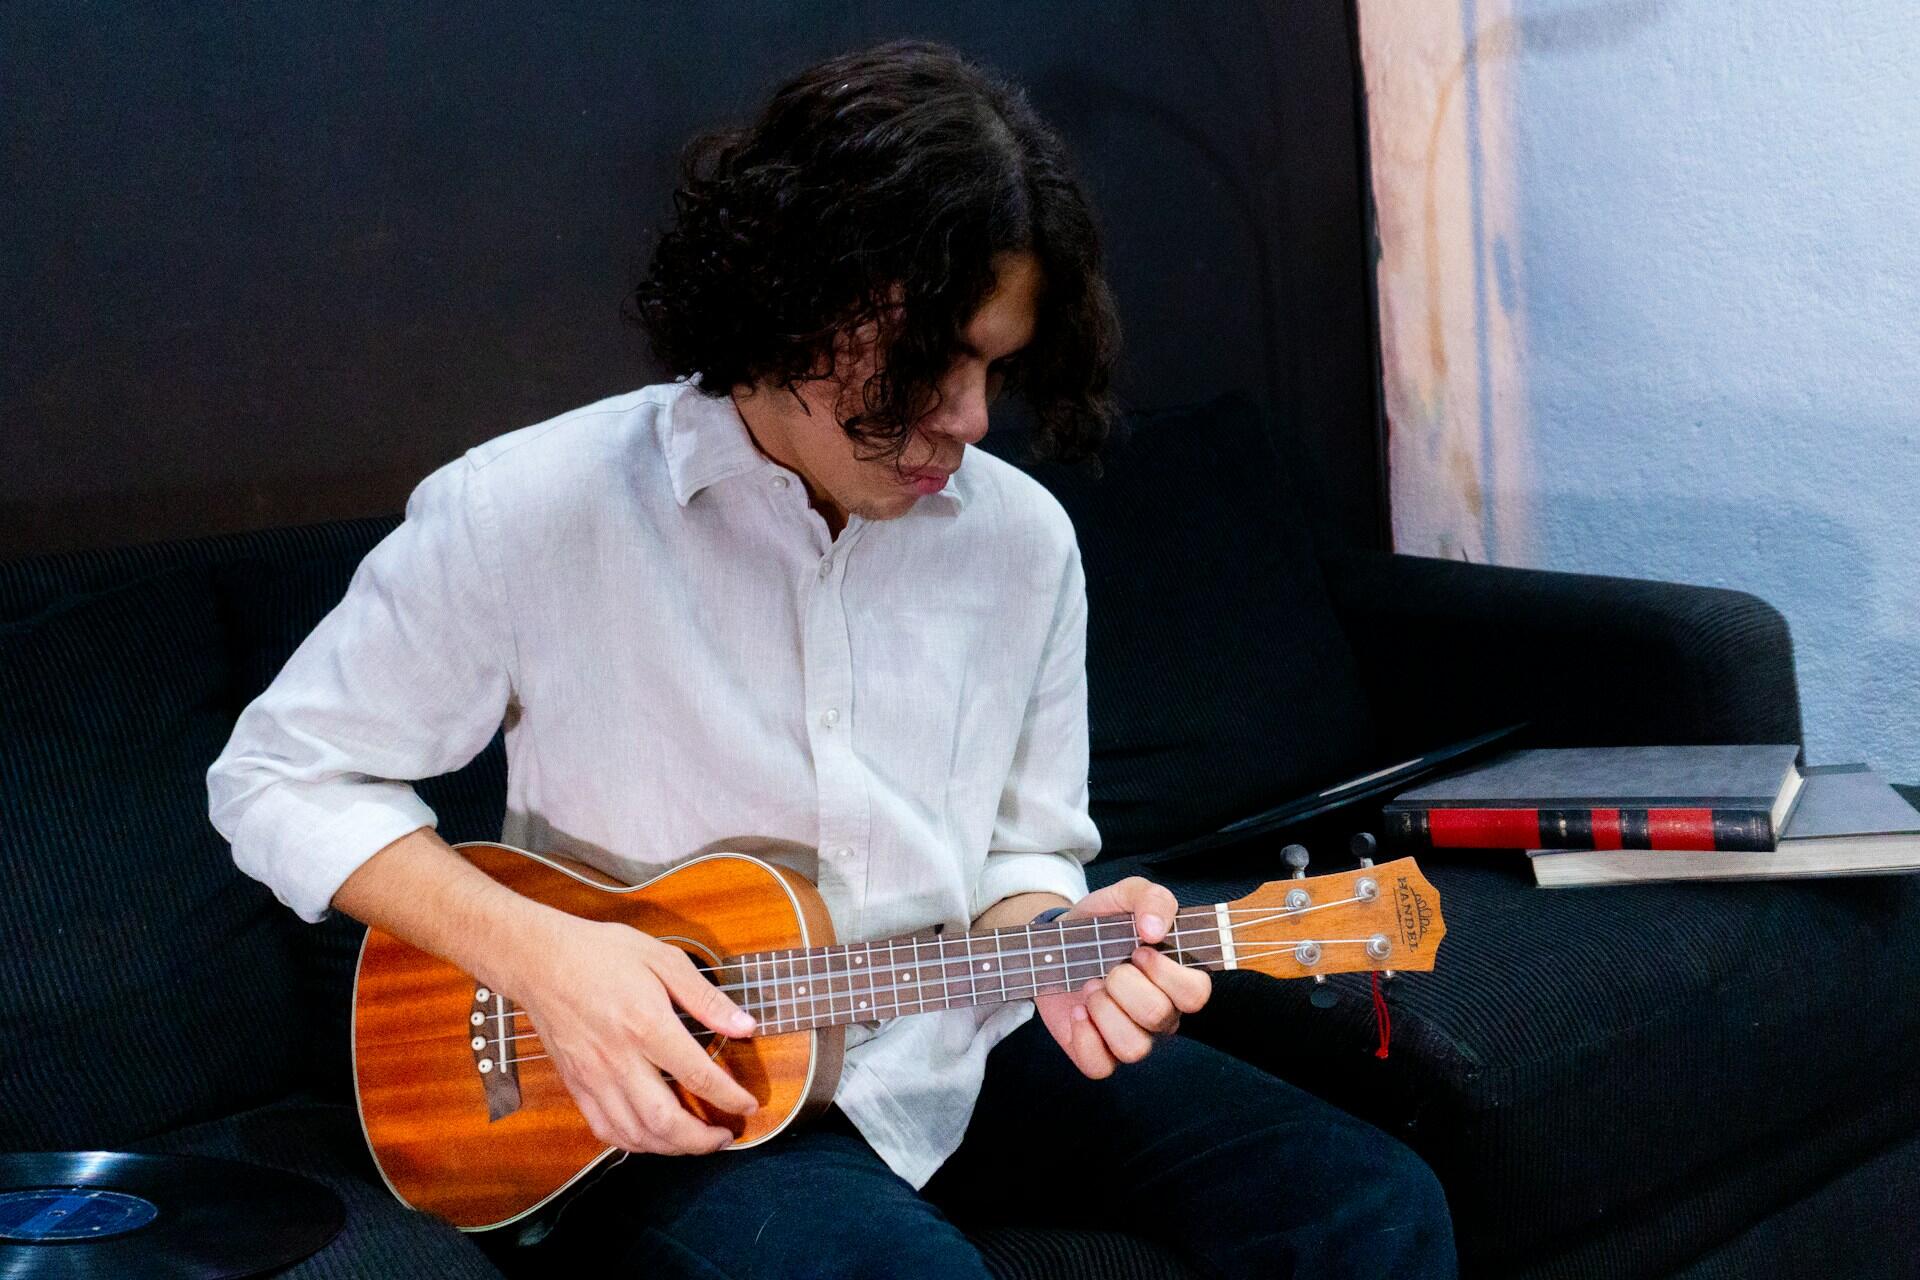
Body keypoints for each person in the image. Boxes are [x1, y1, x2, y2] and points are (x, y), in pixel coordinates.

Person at [206, 38, 1455, 1279]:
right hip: (682, 1091)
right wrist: (545, 957)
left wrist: (1061, 943)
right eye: (926, 365)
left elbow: (1024, 848)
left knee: (1366, 1202)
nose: (967, 420)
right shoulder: (531, 507)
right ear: (786, 300)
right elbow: (277, 774)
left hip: (952, 1042)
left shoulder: (1023, 541)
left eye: (995, 365)